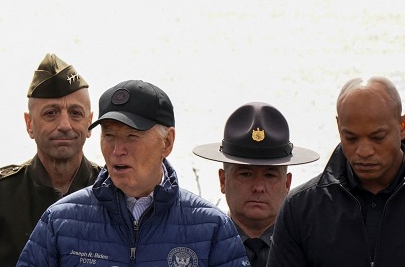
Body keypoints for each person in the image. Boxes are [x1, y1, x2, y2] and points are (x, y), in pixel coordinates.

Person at [17, 79, 249, 267]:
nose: (118, 150)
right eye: (109, 135)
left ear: (167, 142)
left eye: (132, 137)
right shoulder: (59, 221)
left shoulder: (211, 227)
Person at [267, 76, 405, 267]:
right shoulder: (300, 209)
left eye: (377, 137)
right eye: (351, 138)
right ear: (338, 128)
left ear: (402, 126)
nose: (363, 151)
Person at [0, 53, 101, 267]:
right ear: (29, 124)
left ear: (89, 122)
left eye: (75, 113)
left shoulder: (115, 194)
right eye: (51, 113)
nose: (64, 124)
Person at [193, 102, 319, 267]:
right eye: (245, 174)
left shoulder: (312, 251)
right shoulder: (195, 249)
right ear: (223, 180)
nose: (258, 187)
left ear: (287, 184)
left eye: (269, 175)